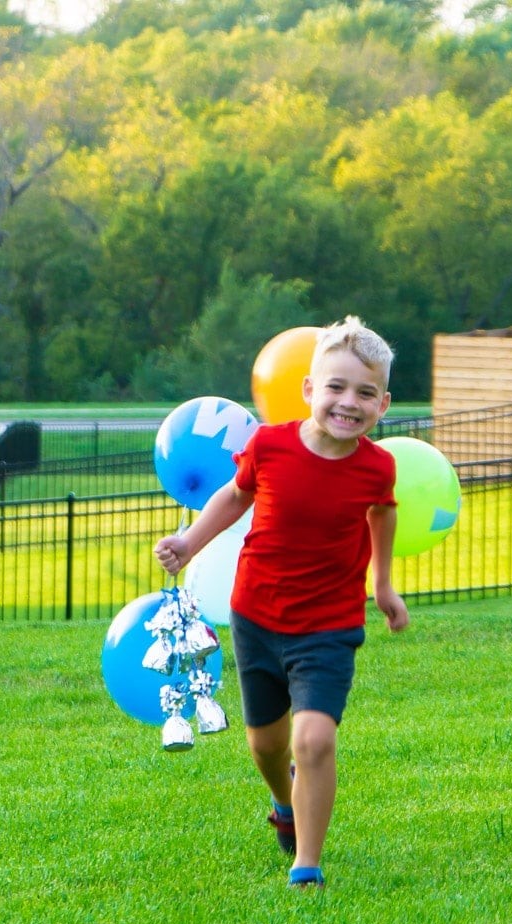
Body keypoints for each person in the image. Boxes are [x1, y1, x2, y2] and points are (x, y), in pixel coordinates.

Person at [154, 316, 409, 889]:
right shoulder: (269, 446)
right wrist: (189, 543)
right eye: (336, 387)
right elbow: (234, 495)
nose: (349, 403)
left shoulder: (377, 467)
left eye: (365, 393)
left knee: (314, 737)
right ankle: (284, 802)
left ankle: (307, 866)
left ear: (384, 403)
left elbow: (382, 513)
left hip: (329, 625)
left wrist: (383, 583)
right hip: (258, 616)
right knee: (267, 744)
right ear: (308, 391)